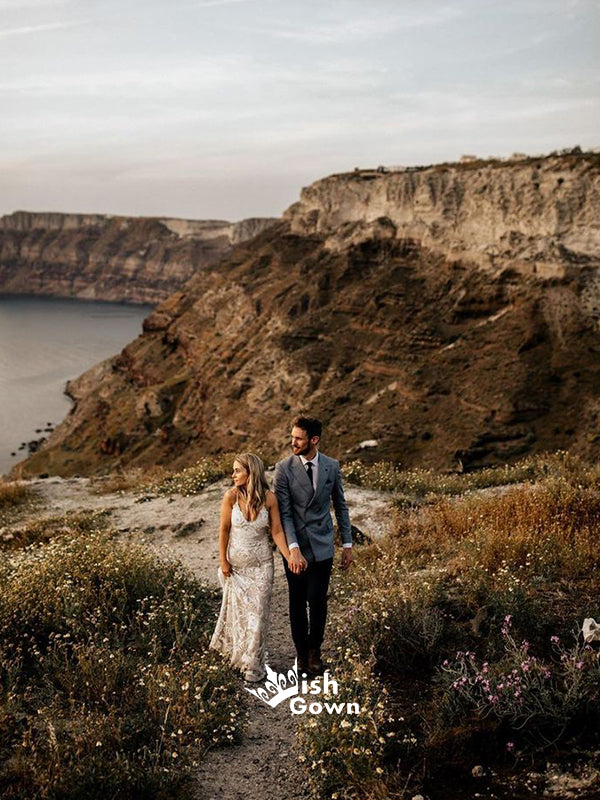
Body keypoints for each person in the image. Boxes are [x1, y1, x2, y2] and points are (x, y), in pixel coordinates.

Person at [209, 453, 306, 683]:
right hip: (237, 568)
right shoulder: (230, 497)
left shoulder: (269, 498)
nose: (233, 475)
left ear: (251, 471)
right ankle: (240, 657)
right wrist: (223, 561)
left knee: (259, 615)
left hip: (262, 566)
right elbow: (224, 530)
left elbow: (277, 531)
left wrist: (289, 556)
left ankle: (253, 664)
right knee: (241, 614)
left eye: (237, 470)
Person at [274, 416, 353, 676]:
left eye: (298, 438)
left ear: (314, 440)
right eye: (292, 437)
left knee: (318, 601)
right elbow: (284, 513)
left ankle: (314, 651)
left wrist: (347, 544)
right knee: (297, 602)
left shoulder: (332, 466)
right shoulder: (283, 469)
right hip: (295, 546)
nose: (293, 442)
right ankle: (301, 655)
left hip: (323, 545)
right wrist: (293, 549)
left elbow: (340, 506)